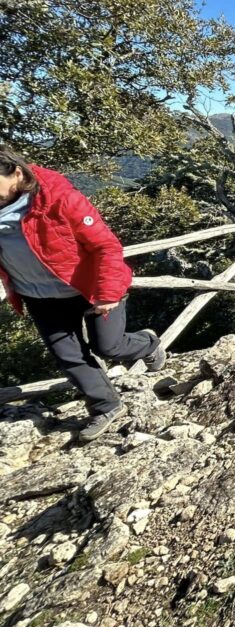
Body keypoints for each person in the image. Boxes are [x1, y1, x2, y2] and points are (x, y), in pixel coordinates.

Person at [0, 147, 166, 441]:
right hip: (39, 297)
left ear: (16, 172)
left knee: (109, 347)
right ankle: (105, 406)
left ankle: (148, 344)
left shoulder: (58, 199)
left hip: (91, 289)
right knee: (69, 356)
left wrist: (108, 292)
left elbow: (106, 246)